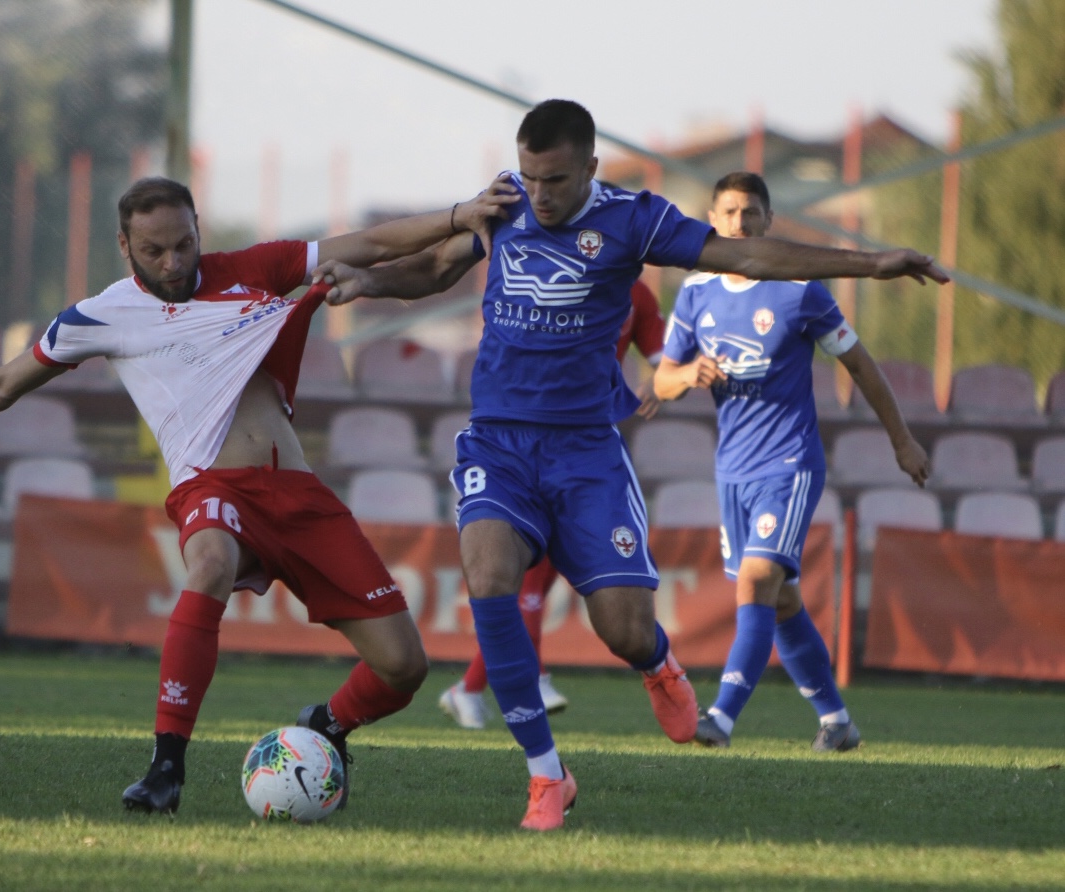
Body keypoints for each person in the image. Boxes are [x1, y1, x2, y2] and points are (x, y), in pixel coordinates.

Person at [312, 99, 945, 831]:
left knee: (623, 629)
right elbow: (435, 264)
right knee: (487, 578)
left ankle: (659, 665)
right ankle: (547, 778)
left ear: (589, 169)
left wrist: (871, 264)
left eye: (553, 180)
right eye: (528, 177)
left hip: (586, 451)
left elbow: (745, 255)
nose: (538, 195)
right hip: (499, 441)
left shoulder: (635, 218)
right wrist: (371, 281)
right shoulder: (504, 204)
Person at [0, 175, 515, 816]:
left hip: (297, 492)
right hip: (210, 485)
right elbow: (2, 386)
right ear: (124, 245)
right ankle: (165, 767)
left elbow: (371, 246)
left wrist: (463, 217)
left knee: (403, 667)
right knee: (209, 560)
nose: (173, 261)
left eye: (184, 243)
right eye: (154, 249)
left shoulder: (257, 270)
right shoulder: (102, 316)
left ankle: (325, 726)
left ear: (197, 229)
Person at [653, 171, 930, 752]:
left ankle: (721, 718)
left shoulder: (800, 292)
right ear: (712, 221)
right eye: (729, 213)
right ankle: (836, 721)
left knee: (756, 582)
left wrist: (901, 439)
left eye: (751, 213)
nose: (740, 224)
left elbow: (861, 366)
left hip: (789, 462)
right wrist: (686, 374)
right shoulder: (696, 294)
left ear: (769, 222)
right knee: (780, 600)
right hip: (732, 471)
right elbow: (660, 379)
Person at [437, 278, 667, 730]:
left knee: (536, 588)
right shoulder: (548, 272)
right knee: (524, 587)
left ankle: (469, 687)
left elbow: (663, 358)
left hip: (583, 447)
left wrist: (668, 378)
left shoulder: (636, 294)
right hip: (523, 447)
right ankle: (528, 679)